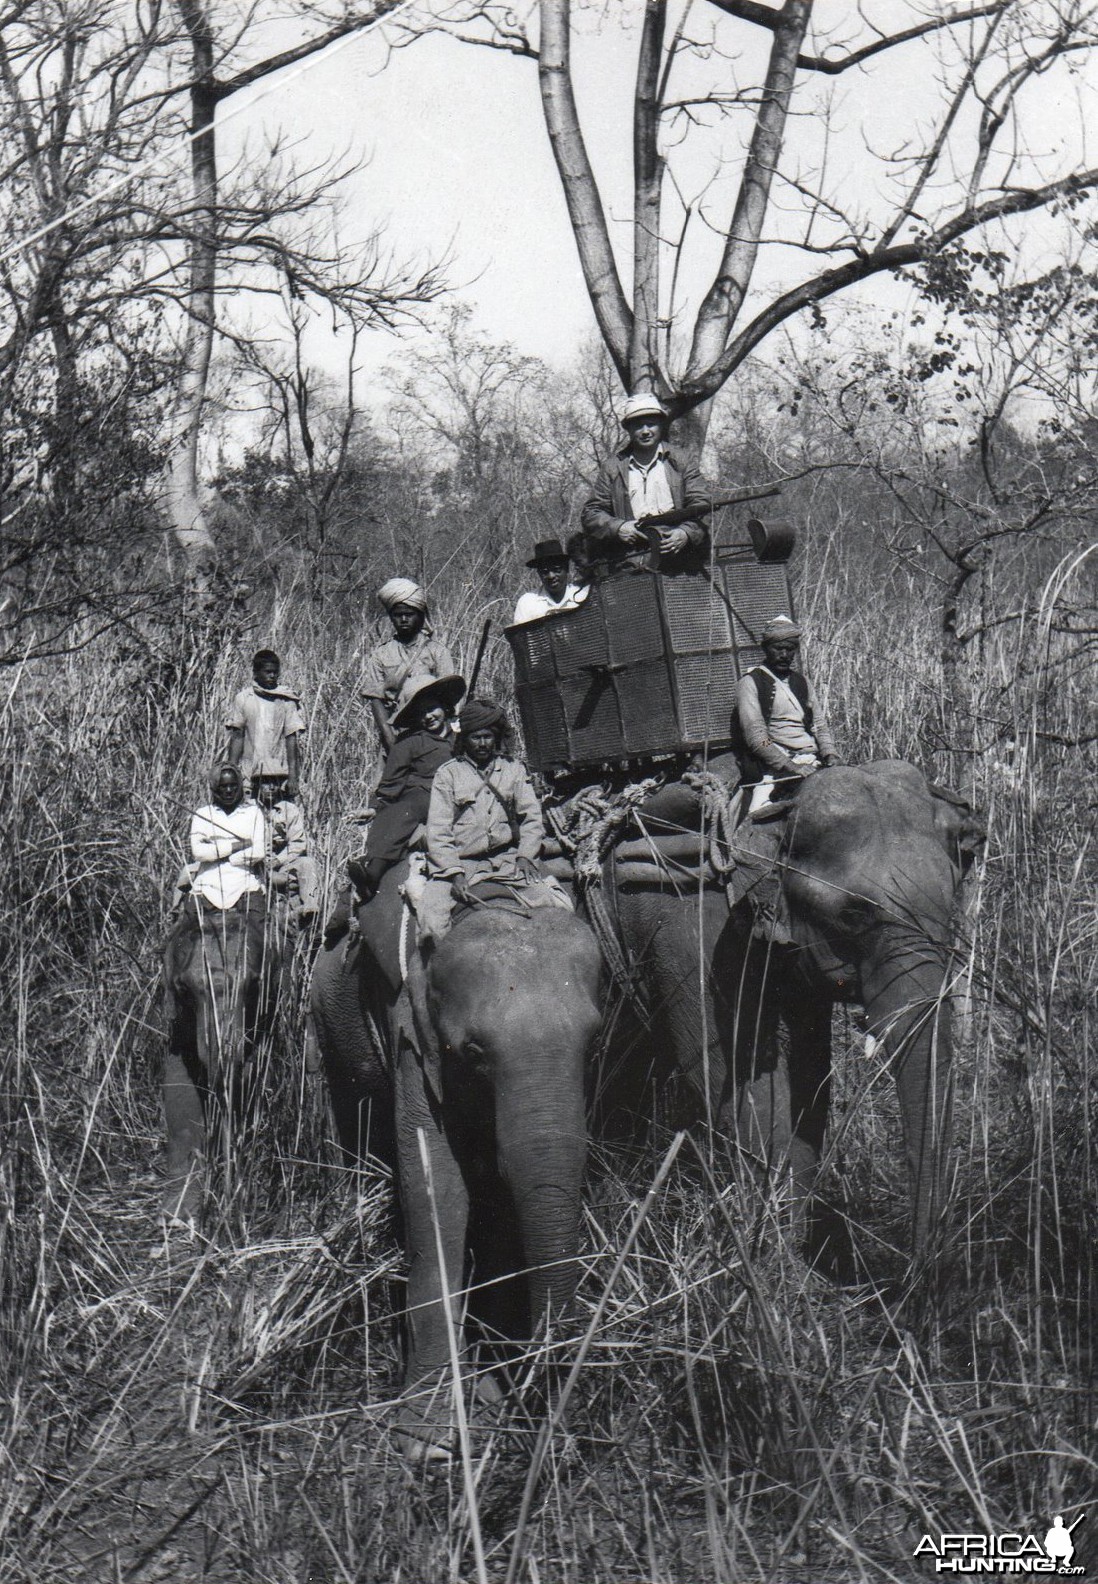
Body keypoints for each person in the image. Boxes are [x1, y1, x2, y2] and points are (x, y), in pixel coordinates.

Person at [417, 697, 557, 940]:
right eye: (475, 737)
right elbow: (438, 831)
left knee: (554, 909)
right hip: (462, 863)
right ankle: (430, 976)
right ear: (464, 738)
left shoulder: (514, 769)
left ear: (496, 737)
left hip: (508, 860)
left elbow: (532, 818)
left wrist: (525, 855)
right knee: (431, 921)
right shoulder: (448, 774)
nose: (482, 743)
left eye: (488, 737)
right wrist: (454, 873)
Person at [346, 672, 466, 903]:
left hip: (458, 795)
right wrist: (375, 807)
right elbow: (391, 782)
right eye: (421, 713)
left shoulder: (462, 737)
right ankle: (373, 871)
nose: (429, 717)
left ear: (444, 706)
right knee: (400, 813)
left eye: (433, 709)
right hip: (421, 796)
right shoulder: (409, 743)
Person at [580, 392, 710, 573]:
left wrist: (685, 533)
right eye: (638, 425)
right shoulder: (612, 467)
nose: (646, 431)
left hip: (679, 559)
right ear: (628, 429)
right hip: (631, 561)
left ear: (661, 424)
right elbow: (591, 513)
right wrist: (619, 528)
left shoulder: (682, 460)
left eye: (651, 423)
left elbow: (702, 504)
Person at [736, 615, 840, 814]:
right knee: (756, 818)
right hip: (776, 769)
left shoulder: (802, 682)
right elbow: (757, 738)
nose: (785, 654)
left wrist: (830, 753)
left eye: (790, 649)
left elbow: (818, 724)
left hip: (812, 762)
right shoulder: (750, 683)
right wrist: (789, 765)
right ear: (766, 648)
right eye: (778, 649)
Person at [361, 578, 454, 754]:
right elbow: (375, 699)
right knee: (387, 780)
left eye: (409, 614)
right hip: (397, 732)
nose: (403, 619)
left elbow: (449, 697)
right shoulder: (381, 654)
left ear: (420, 615)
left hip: (433, 732)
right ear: (391, 617)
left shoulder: (437, 652)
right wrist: (389, 740)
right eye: (397, 615)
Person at [185, 763, 266, 915]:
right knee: (187, 928)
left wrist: (219, 853)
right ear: (215, 787)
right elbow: (198, 853)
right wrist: (237, 846)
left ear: (240, 786)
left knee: (256, 932)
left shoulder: (253, 813)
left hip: (245, 884)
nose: (229, 791)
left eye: (233, 785)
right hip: (207, 884)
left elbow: (259, 852)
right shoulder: (203, 814)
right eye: (223, 786)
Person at [226, 649, 306, 798]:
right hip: (249, 772)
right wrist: (231, 770)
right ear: (256, 672)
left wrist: (293, 776)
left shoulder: (286, 700)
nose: (272, 676)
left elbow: (291, 738)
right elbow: (237, 736)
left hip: (278, 773)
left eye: (275, 672)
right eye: (267, 672)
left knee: (280, 815)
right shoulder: (244, 698)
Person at [252, 776, 321, 927]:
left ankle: (310, 907)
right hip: (257, 867)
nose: (271, 787)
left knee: (307, 863)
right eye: (266, 783)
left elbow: (297, 843)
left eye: (275, 783)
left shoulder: (289, 809)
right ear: (257, 785)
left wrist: (278, 860)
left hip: (282, 865)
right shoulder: (249, 810)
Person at [512, 538, 590, 624]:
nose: (551, 576)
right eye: (545, 572)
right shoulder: (527, 603)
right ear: (539, 574)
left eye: (557, 570)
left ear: (567, 569)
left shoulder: (583, 595)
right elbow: (520, 635)